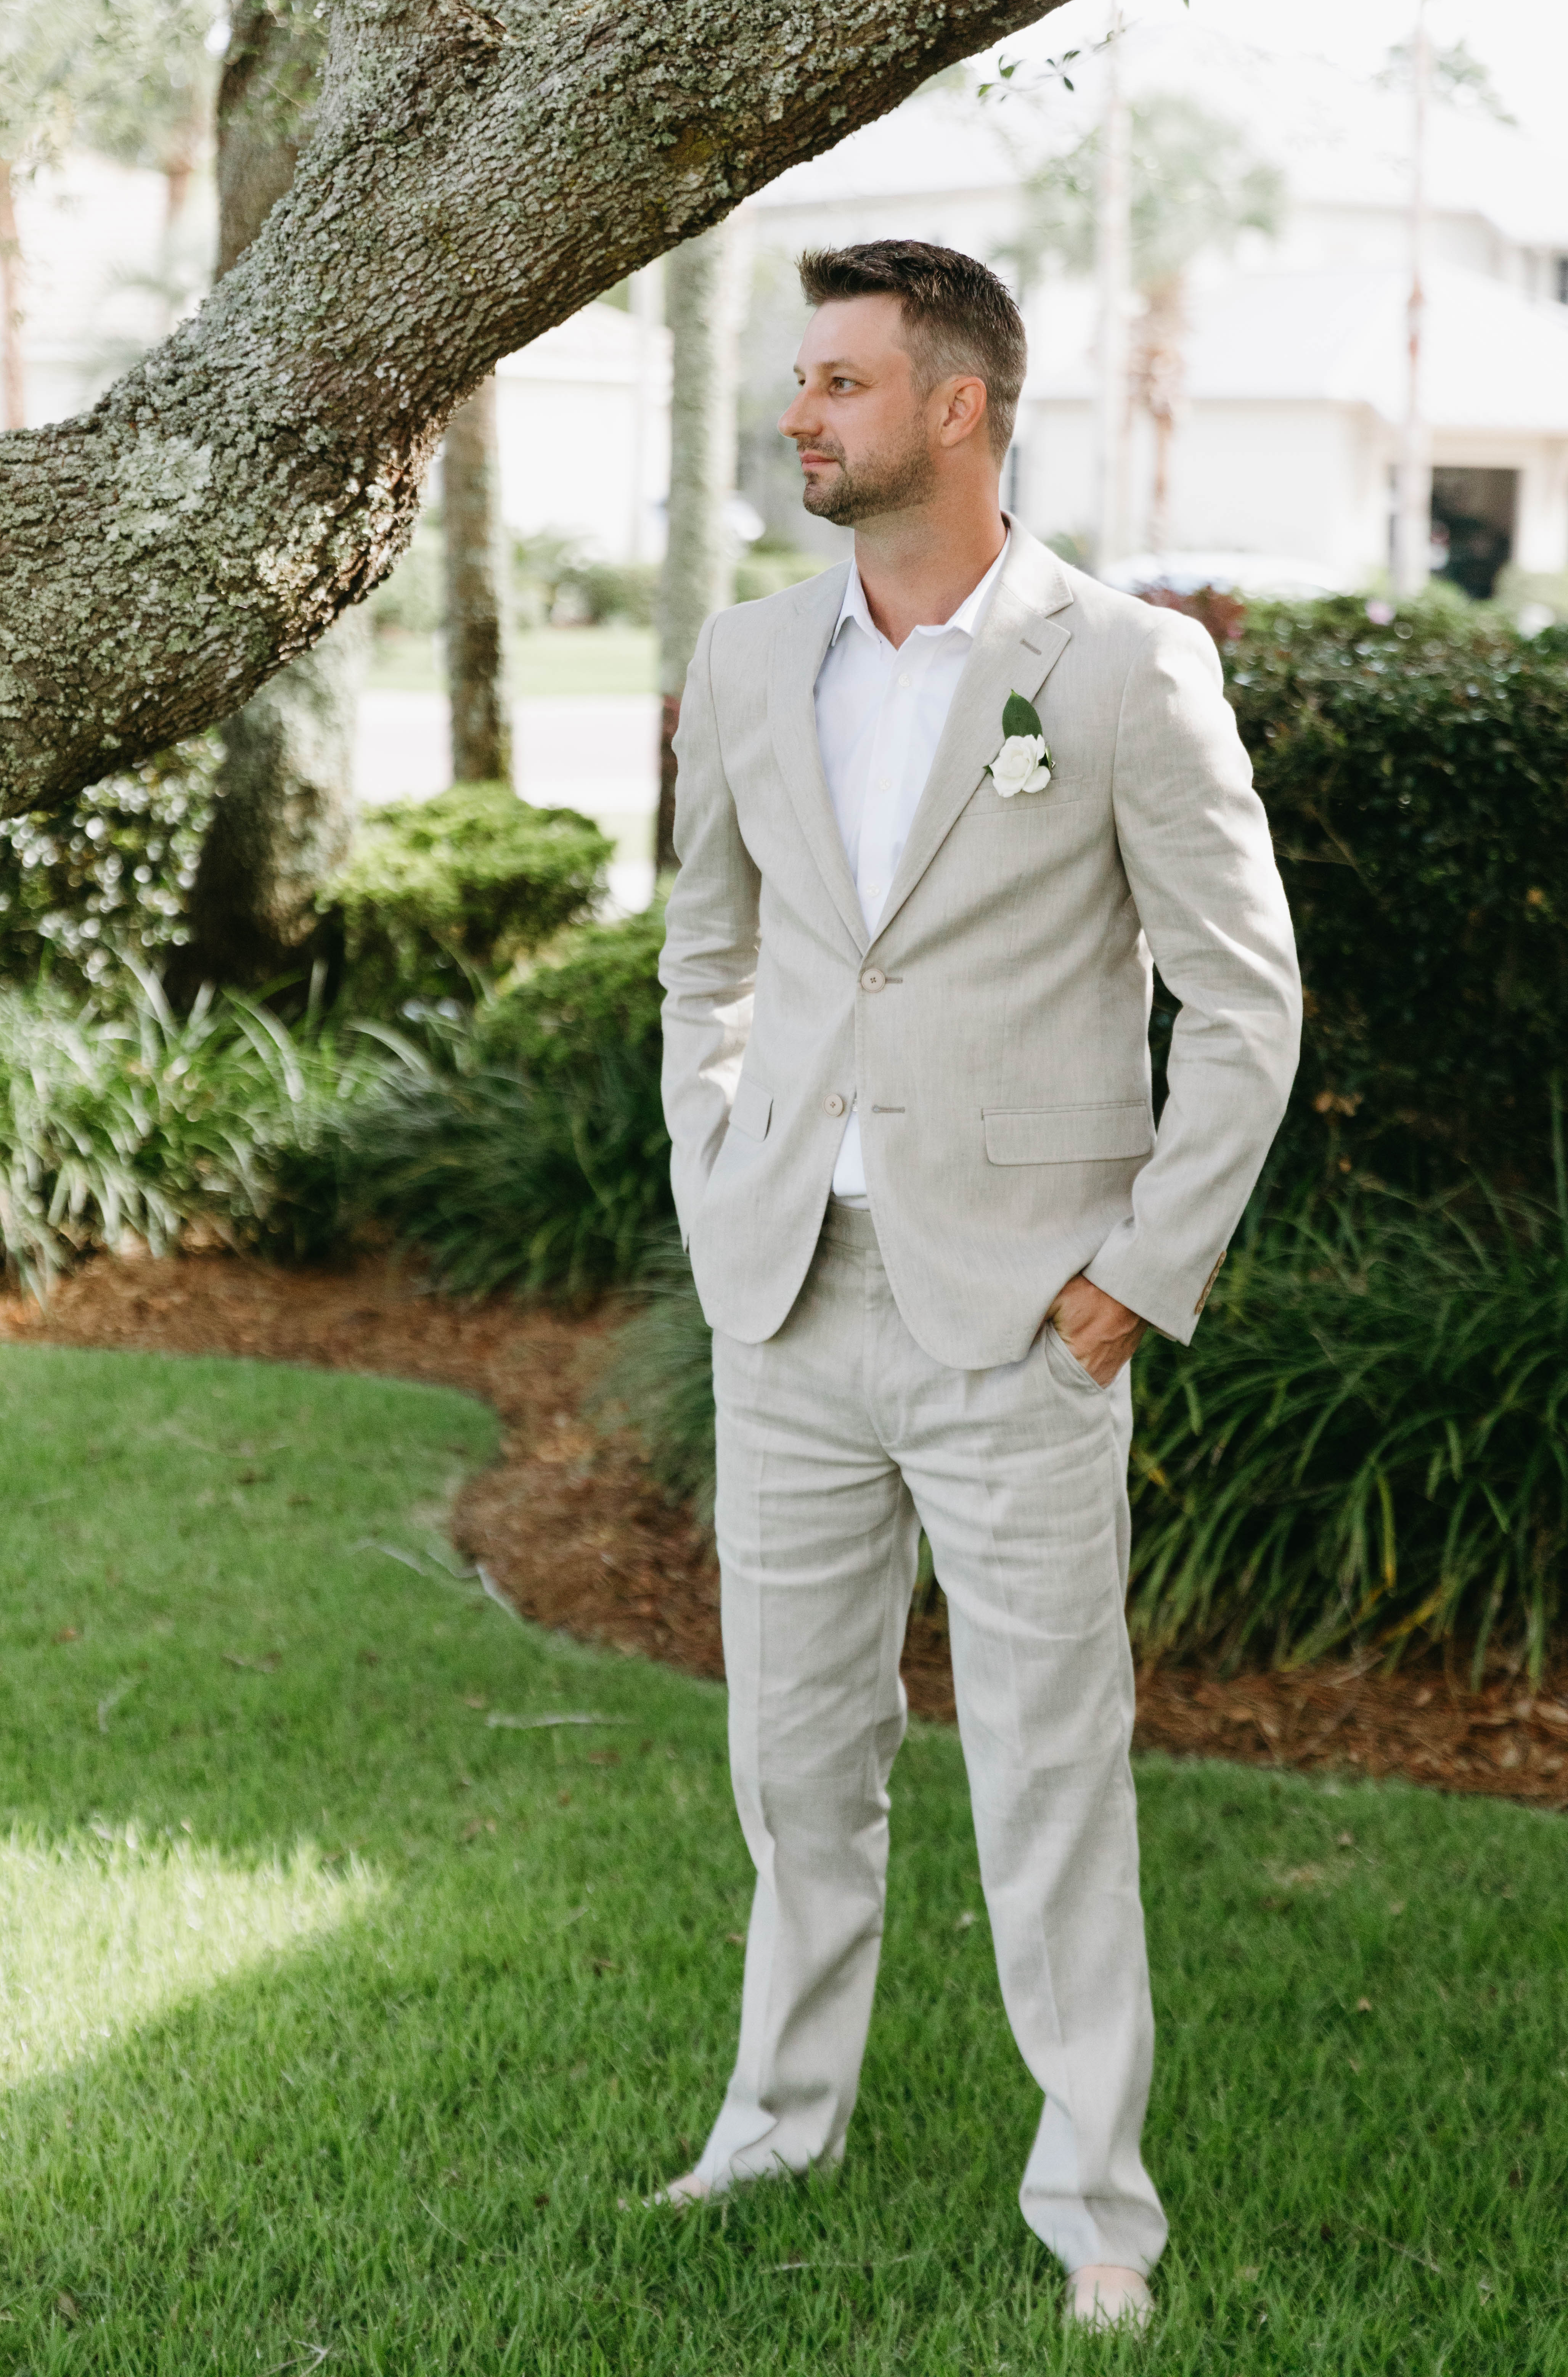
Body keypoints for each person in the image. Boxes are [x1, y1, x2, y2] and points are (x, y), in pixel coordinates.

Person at [654, 238, 1300, 2330]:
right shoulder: (755, 661)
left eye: (839, 382)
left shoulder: (1119, 668)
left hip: (1028, 1314)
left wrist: (1134, 1279)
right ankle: (773, 2128)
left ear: (958, 407)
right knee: (792, 1759)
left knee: (1046, 1763)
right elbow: (706, 961)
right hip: (791, 1303)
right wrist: (723, 1170)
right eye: (798, 382)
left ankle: (1096, 2201)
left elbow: (1246, 999)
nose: (799, 416)